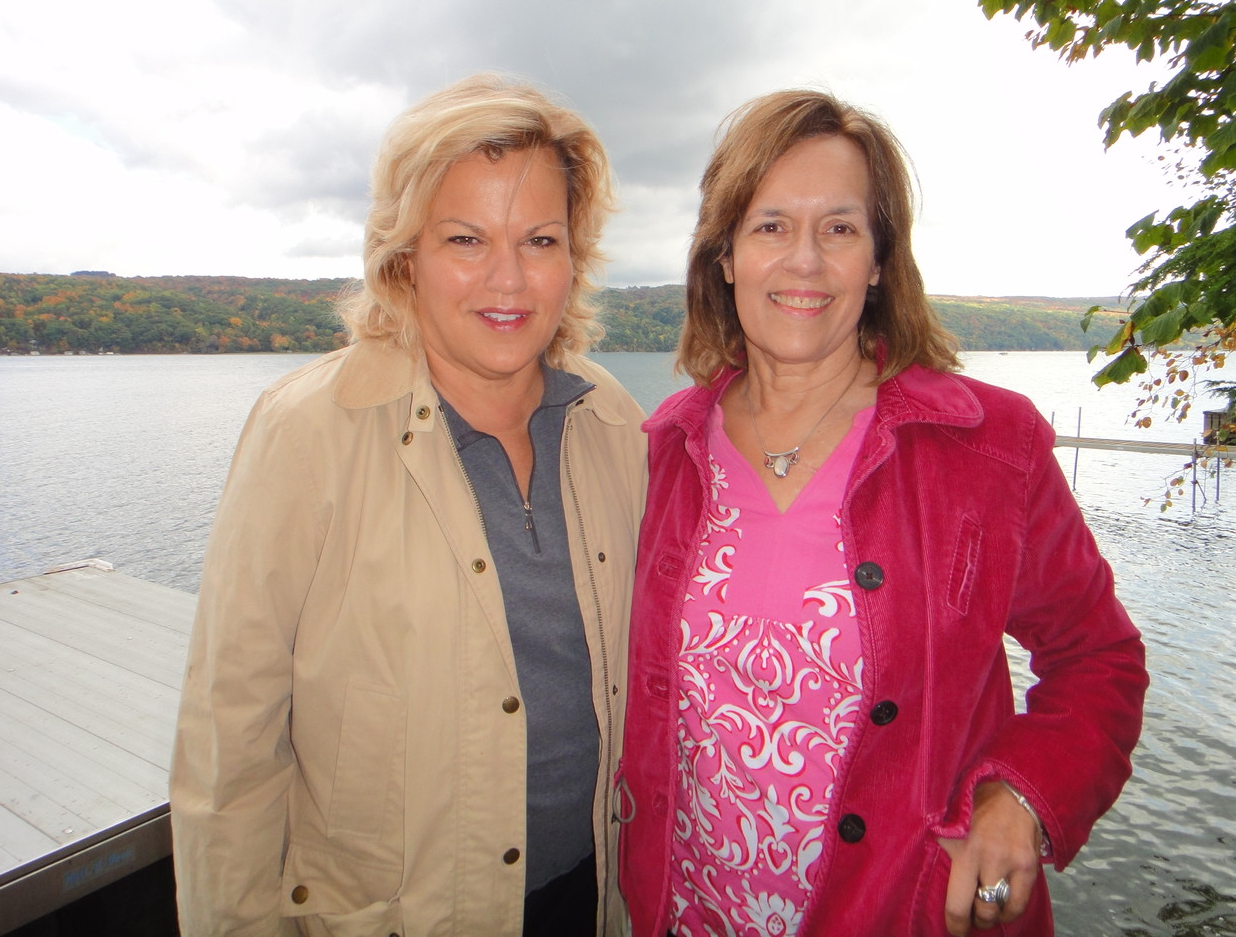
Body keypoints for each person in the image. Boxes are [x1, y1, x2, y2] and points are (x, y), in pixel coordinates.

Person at [616, 89, 1148, 937]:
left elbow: (1100, 659)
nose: (805, 262)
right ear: (723, 257)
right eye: (770, 226)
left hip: (904, 911)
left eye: (839, 228)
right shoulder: (658, 455)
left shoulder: (988, 449)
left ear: (878, 261)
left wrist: (1019, 797)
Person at [170, 74, 647, 937]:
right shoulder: (307, 433)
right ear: (405, 258)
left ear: (574, 257)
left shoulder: (610, 420)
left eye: (539, 239)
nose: (508, 279)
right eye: (466, 239)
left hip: (591, 899)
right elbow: (228, 751)